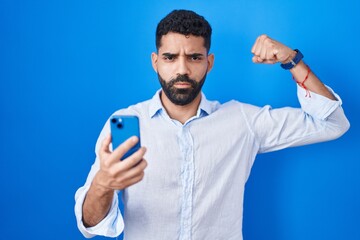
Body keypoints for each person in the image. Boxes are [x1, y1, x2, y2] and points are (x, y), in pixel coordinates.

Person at [74, 9, 350, 240]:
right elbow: (89, 224)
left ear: (209, 63)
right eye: (170, 58)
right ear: (155, 62)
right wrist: (102, 185)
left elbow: (332, 123)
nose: (182, 69)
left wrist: (293, 61)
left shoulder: (242, 121)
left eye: (194, 57)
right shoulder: (126, 122)